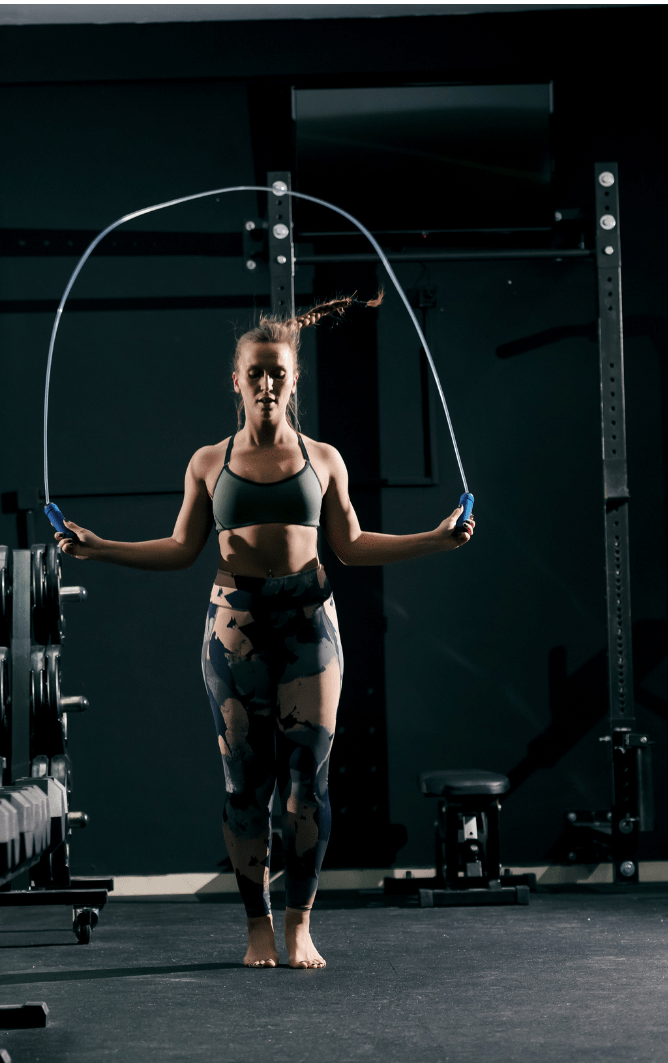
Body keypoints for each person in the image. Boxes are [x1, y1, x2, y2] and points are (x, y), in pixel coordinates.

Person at [54, 293, 475, 969]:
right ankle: (258, 927)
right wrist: (98, 546)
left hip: (310, 625)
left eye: (278, 371)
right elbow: (181, 549)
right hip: (234, 629)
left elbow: (354, 545)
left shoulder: (326, 460)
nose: (267, 383)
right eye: (255, 372)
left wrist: (435, 539)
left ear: (294, 378)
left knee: (309, 784)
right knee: (243, 785)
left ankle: (302, 925)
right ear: (236, 379)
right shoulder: (206, 462)